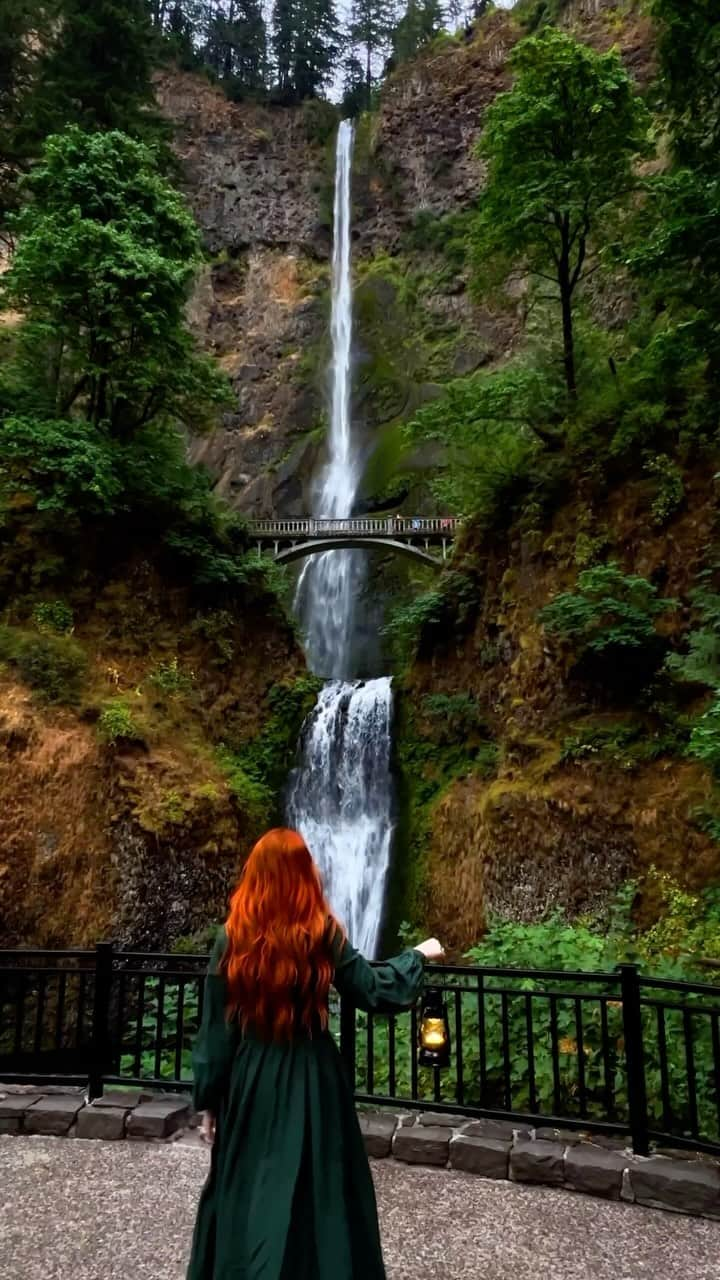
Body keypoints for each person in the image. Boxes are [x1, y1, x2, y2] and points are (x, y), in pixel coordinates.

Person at [187, 828, 444, 1280]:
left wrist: (208, 1099)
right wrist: (416, 956)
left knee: (251, 1183)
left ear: (257, 874)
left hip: (254, 1078)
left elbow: (216, 1031)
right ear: (305, 874)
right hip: (314, 1074)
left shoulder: (233, 937)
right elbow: (373, 989)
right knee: (321, 1184)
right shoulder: (320, 932)